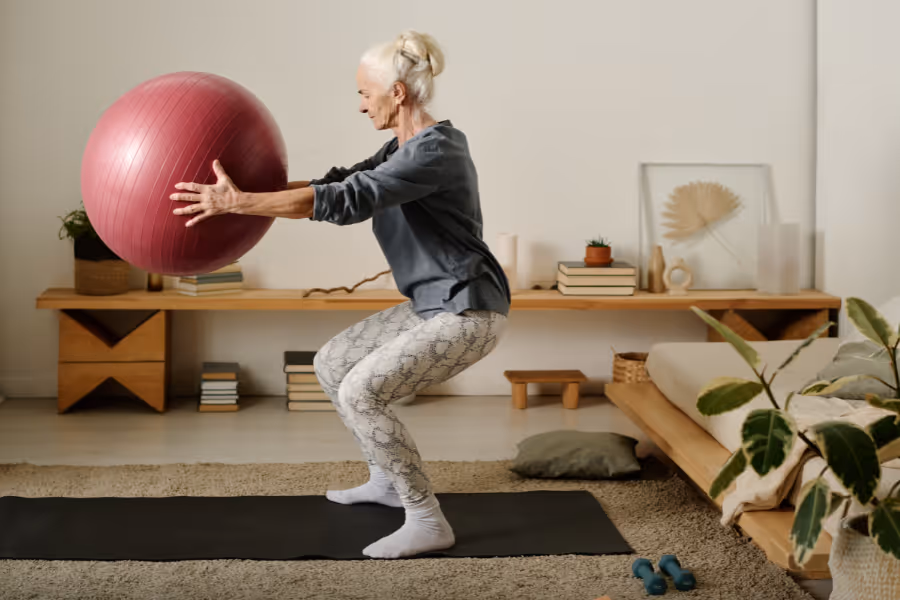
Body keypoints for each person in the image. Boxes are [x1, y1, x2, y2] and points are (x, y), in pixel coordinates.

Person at [170, 30, 510, 559]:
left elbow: (350, 199)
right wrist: (247, 192)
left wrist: (239, 204)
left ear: (396, 92)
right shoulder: (400, 147)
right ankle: (386, 480)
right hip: (431, 305)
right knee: (331, 364)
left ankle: (426, 518)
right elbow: (341, 180)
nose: (359, 104)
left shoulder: (436, 151)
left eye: (363, 93)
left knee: (361, 393)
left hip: (468, 308)